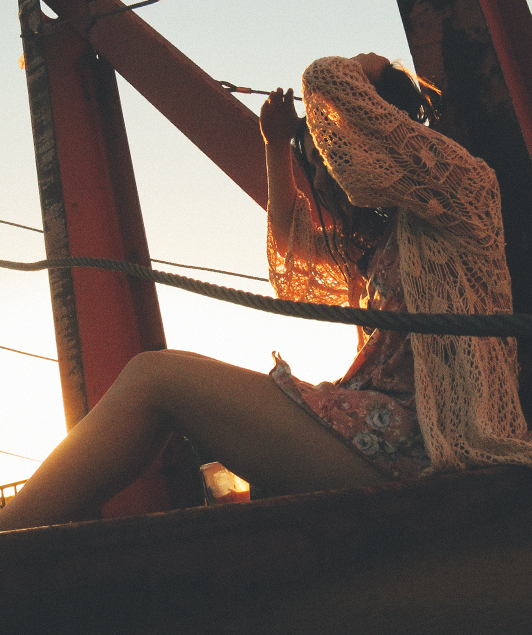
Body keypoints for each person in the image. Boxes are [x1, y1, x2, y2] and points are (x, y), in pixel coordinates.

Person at [0, 52, 530, 532]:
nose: (324, 168)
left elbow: (325, 79)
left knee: (154, 378)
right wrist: (276, 148)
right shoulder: (382, 239)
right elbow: (293, 257)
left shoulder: (463, 190)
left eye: (329, 151)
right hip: (386, 437)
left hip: (427, 445)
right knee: (157, 381)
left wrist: (367, 69)